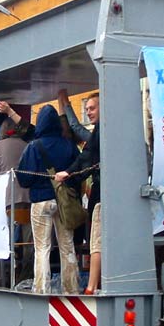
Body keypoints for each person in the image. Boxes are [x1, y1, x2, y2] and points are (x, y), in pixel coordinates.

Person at [16, 105, 80, 295]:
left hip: (41, 201)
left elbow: (24, 179)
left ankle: (41, 289)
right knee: (67, 246)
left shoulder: (33, 146)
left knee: (42, 247)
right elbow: (77, 173)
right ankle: (71, 289)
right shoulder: (69, 145)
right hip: (63, 202)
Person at [55, 93, 100, 294]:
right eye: (87, 108)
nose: (88, 112)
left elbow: (87, 158)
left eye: (92, 108)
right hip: (112, 191)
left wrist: (69, 174)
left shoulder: (100, 133)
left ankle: (91, 286)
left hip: (102, 194)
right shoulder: (109, 130)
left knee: (97, 240)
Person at [0, 102, 32, 286]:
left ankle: (1, 278)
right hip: (29, 199)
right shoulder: (28, 145)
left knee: (3, 241)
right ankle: (25, 277)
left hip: (7, 201)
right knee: (29, 243)